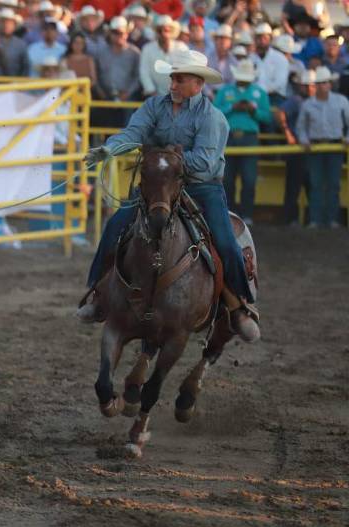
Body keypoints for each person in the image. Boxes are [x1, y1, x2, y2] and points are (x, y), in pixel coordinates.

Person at [79, 49, 261, 342]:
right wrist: (110, 148)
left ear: (198, 84)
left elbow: (205, 162)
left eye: (180, 79)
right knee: (115, 227)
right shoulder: (154, 106)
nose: (173, 84)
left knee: (225, 241)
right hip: (159, 184)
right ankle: (97, 295)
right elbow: (134, 132)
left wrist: (164, 159)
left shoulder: (213, 118)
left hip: (201, 187)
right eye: (172, 78)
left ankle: (239, 305)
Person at [214, 59, 271, 219]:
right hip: (228, 137)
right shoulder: (225, 91)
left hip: (249, 138)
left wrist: (254, 111)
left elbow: (267, 117)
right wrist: (232, 107)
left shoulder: (260, 92)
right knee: (227, 179)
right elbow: (214, 113)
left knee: (249, 179)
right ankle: (228, 214)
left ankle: (247, 215)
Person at [296, 66, 349, 228]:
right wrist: (304, 139)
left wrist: (347, 138)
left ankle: (329, 219)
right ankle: (316, 220)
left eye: (324, 82)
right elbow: (301, 127)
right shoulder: (308, 104)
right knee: (317, 184)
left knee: (332, 184)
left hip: (334, 146)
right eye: (319, 83)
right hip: (317, 146)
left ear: (330, 84)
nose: (322, 86)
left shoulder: (341, 101)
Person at [277, 69, 313, 225]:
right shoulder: (296, 100)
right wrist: (288, 133)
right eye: (307, 85)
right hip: (299, 149)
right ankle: (290, 219)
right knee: (294, 186)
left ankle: (309, 219)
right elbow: (280, 112)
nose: (309, 88)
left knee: (312, 186)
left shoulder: (309, 101)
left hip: (310, 149)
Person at [140, 14, 188, 97]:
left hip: (180, 94)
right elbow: (144, 72)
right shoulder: (147, 48)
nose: (163, 33)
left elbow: (187, 71)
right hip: (155, 96)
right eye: (159, 30)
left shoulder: (182, 47)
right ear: (156, 32)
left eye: (166, 30)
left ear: (172, 31)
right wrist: (152, 92)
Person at [252, 22, 291, 104]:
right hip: (253, 96)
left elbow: (279, 83)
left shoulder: (280, 58)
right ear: (255, 40)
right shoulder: (250, 58)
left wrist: (260, 92)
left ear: (270, 39)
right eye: (259, 38)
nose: (262, 42)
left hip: (274, 97)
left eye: (265, 38)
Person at [0, 7, 30, 76]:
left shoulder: (21, 44)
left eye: (10, 23)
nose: (6, 25)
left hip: (14, 84)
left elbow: (25, 67)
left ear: (14, 25)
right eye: (3, 22)